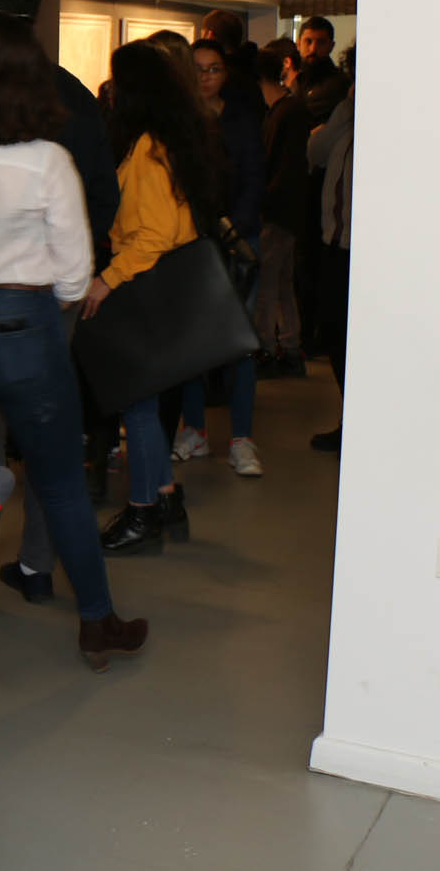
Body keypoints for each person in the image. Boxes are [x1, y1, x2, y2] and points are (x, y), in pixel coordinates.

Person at [0, 17, 148, 683]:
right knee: (59, 484)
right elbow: (76, 276)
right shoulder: (48, 161)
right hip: (26, 327)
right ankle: (97, 621)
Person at [0, 0, 119, 600]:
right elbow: (101, 203)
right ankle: (41, 571)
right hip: (43, 308)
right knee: (54, 456)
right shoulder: (72, 103)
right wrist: (65, 290)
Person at [87, 40, 222, 555]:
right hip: (166, 288)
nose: (111, 91)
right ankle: (164, 497)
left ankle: (142, 511)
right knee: (144, 403)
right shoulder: (169, 140)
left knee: (138, 407)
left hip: (147, 286)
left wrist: (108, 279)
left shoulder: (147, 150)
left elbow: (154, 237)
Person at [172, 38, 264, 477]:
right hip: (190, 243)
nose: (206, 77)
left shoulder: (242, 121)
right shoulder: (179, 122)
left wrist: (231, 229)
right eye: (199, 68)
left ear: (226, 74)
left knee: (240, 343)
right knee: (193, 343)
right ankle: (194, 429)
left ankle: (242, 437)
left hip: (238, 241)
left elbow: (254, 182)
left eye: (214, 69)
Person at [306, 48, 355, 454]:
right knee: (336, 336)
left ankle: (361, 423)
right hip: (334, 243)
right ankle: (350, 419)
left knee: (354, 339)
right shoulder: (347, 116)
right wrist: (347, 108)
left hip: (364, 251)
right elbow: (315, 153)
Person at [254, 40, 312, 378]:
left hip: (277, 211)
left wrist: (264, 203)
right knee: (281, 283)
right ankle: (289, 347)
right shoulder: (288, 110)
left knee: (268, 283)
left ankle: (268, 349)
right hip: (287, 211)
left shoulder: (285, 113)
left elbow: (284, 168)